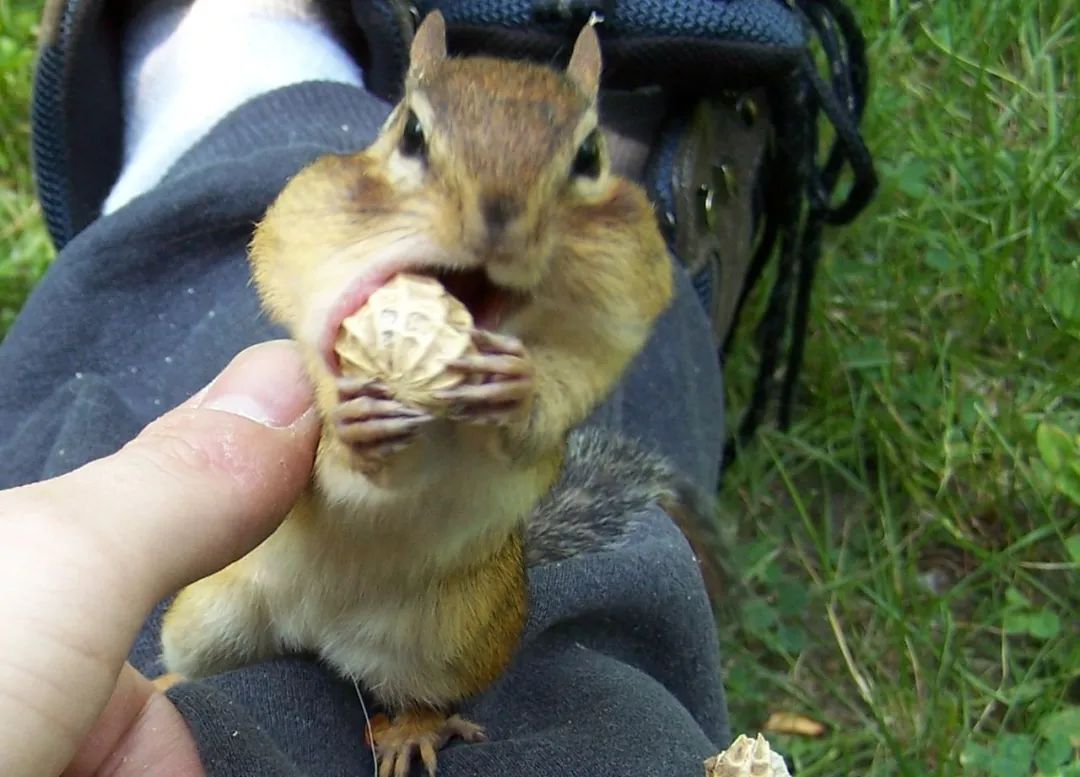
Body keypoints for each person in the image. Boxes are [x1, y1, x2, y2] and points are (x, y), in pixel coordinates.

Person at [0, 0, 873, 774]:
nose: (488, 235)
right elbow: (279, 261)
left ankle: (235, 64)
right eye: (417, 139)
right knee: (197, 631)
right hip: (280, 562)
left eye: (577, 163)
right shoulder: (344, 236)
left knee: (116, 363)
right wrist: (346, 397)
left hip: (431, 588)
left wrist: (522, 401)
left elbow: (542, 428)